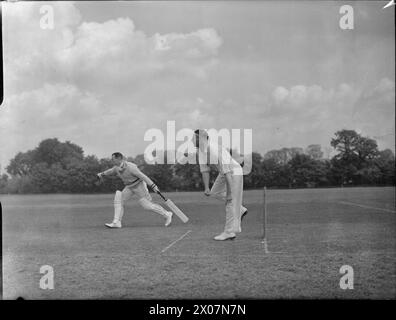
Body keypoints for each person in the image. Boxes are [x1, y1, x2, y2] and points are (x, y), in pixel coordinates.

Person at [193, 130, 248, 241]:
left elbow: (228, 173)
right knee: (215, 193)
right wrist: (207, 187)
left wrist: (229, 194)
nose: (192, 140)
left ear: (202, 139)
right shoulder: (200, 151)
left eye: (194, 138)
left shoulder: (214, 149)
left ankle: (229, 232)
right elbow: (204, 170)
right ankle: (240, 209)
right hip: (224, 172)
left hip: (233, 171)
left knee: (229, 201)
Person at [97, 152, 172, 228]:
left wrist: (153, 186)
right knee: (119, 201)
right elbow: (111, 171)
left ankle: (167, 214)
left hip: (139, 186)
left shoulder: (131, 167)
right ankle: (117, 222)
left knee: (147, 205)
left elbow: (143, 176)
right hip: (129, 187)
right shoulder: (116, 167)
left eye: (113, 159)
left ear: (119, 159)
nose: (112, 160)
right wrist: (101, 174)